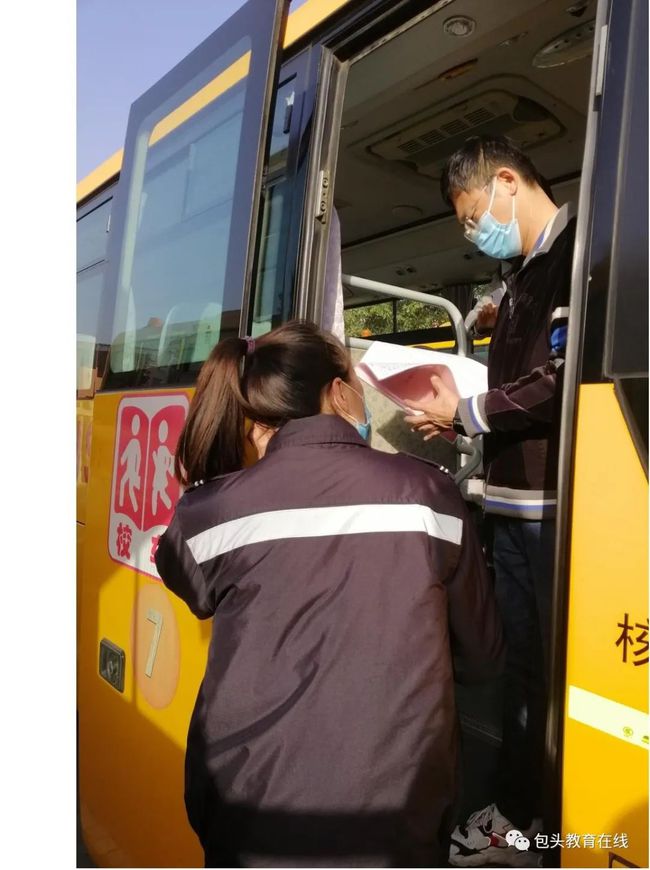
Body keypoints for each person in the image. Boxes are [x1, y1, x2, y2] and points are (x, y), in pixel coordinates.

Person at [155, 320, 504, 868]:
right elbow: (483, 657)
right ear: (337, 391)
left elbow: (190, 584)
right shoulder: (428, 492)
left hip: (248, 811)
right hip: (398, 817)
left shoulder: (210, 512)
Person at [404, 135, 575, 867]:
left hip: (548, 510)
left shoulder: (577, 255)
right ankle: (525, 817)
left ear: (508, 180)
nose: (476, 233)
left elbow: (561, 380)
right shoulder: (522, 276)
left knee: (545, 678)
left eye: (475, 217)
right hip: (511, 503)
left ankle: (536, 825)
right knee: (523, 673)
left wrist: (468, 414)